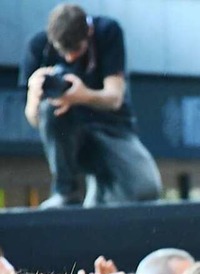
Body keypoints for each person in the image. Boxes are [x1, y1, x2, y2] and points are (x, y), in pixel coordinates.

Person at [20, 3, 162, 208]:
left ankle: (98, 198)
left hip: (111, 127)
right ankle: (66, 190)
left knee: (146, 188)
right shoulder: (37, 46)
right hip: (69, 136)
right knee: (48, 110)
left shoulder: (107, 32)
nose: (69, 58)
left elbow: (115, 98)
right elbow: (33, 119)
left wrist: (82, 96)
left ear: (89, 31)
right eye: (64, 51)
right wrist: (34, 97)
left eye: (76, 50)